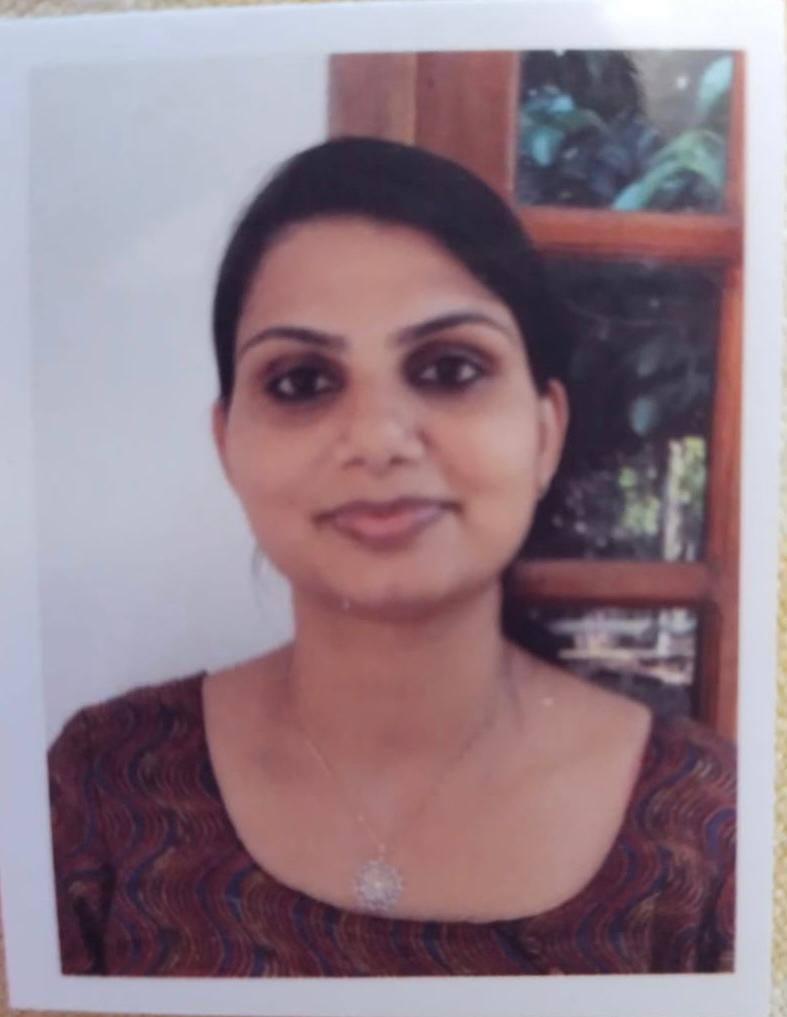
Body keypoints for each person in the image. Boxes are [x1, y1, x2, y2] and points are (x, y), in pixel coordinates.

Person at [47, 136, 735, 978]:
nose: (376, 438)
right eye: (301, 381)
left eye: (449, 368)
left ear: (544, 431)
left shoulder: (711, 831)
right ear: (228, 446)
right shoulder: (101, 788)